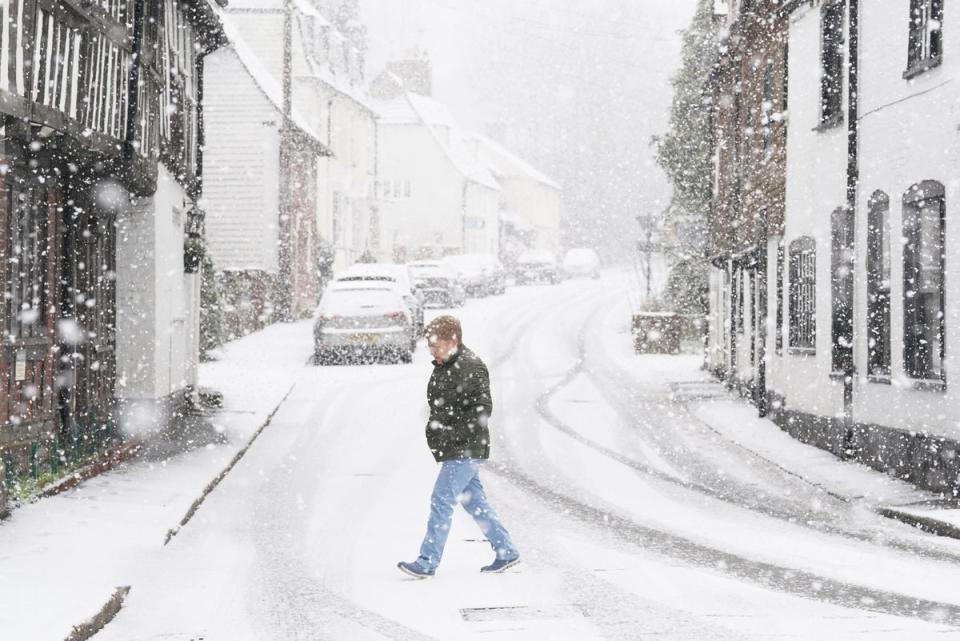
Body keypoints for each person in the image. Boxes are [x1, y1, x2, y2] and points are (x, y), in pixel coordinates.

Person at [397, 315, 520, 578]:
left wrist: (451, 430)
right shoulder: (446, 364)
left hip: (465, 448)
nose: (432, 351)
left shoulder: (470, 367)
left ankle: (427, 561)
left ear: (453, 340)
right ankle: (507, 551)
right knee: (475, 501)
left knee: (441, 499)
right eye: (430, 346)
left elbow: (482, 409)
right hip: (456, 447)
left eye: (436, 345)